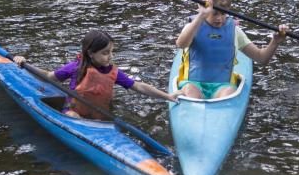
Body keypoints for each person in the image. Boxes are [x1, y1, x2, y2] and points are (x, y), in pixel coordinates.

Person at [13, 30, 180, 120]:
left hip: (99, 116)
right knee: (73, 116)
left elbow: (139, 86)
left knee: (104, 120)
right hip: (73, 112)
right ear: (91, 53)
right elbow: (50, 77)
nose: (110, 57)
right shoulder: (75, 67)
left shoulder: (113, 72)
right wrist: (25, 65)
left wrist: (167, 96)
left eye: (111, 52)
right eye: (105, 53)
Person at [175, 0, 287, 99]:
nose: (219, 18)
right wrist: (201, 16)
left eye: (223, 13)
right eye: (214, 13)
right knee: (190, 91)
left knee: (228, 91)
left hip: (222, 86)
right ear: (204, 10)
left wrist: (275, 42)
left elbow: (261, 58)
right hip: (193, 84)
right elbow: (181, 44)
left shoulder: (235, 31)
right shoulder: (193, 26)